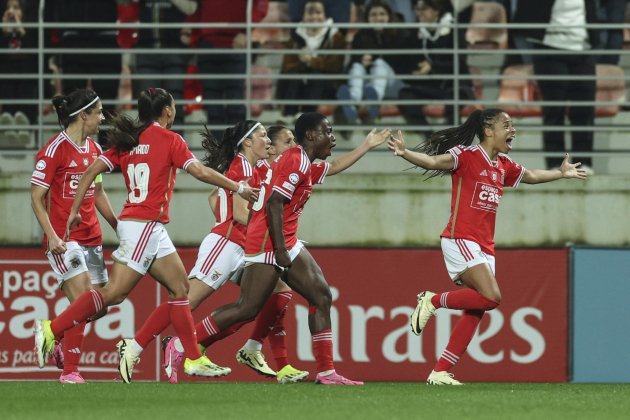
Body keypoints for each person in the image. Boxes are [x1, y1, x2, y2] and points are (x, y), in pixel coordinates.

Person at [33, 87, 258, 383]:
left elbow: (90, 174)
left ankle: (193, 357)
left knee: (180, 288)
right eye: (174, 107)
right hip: (143, 224)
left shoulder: (128, 140)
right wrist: (238, 187)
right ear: (167, 111)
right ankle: (52, 329)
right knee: (114, 293)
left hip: (149, 227)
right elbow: (200, 173)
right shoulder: (170, 140)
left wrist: (76, 209)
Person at [181, 113, 390, 385]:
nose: (333, 138)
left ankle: (326, 371)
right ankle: (189, 345)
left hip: (285, 240)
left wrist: (366, 146)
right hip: (268, 240)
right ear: (313, 135)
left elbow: (335, 165)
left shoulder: (304, 162)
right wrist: (280, 250)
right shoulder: (295, 160)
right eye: (329, 131)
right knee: (247, 308)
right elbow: (275, 204)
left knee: (321, 294)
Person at [386, 108, 588, 385]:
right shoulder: (466, 156)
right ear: (489, 130)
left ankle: (440, 371)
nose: (512, 130)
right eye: (507, 125)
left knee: (478, 307)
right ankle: (432, 300)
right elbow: (433, 162)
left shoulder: (502, 164)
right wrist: (406, 153)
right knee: (492, 296)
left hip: (485, 247)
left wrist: (560, 173)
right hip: (460, 239)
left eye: (513, 125)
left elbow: (530, 175)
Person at [157, 123, 310, 384]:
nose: (272, 144)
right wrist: (240, 224)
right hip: (227, 243)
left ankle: (268, 357)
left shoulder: (260, 168)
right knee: (187, 300)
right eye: (265, 137)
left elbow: (213, 198)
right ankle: (143, 344)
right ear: (249, 142)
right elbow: (238, 212)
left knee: (278, 293)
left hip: (245, 246)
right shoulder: (243, 166)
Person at [30, 89, 117, 384]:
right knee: (83, 297)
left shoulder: (94, 149)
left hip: (92, 236)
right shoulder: (54, 150)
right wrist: (52, 236)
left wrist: (118, 225)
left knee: (100, 306)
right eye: (100, 112)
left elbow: (100, 192)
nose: (103, 118)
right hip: (64, 239)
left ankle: (54, 332)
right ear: (84, 115)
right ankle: (70, 371)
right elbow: (36, 197)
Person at [512, 0, 599, 170]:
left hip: (583, 49)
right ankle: (555, 164)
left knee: (584, 109)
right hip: (549, 48)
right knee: (554, 109)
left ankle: (584, 163)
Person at [397, 0, 474, 132]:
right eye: (417, 9)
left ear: (436, 10)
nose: (419, 13)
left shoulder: (453, 29)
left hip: (454, 84)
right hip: (431, 85)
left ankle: (455, 140)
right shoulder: (416, 33)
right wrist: (417, 71)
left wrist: (433, 66)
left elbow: (459, 62)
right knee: (405, 95)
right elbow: (408, 60)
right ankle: (429, 139)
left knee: (454, 99)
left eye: (424, 9)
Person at [336, 0, 407, 125]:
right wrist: (361, 60)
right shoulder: (360, 36)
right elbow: (350, 66)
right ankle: (353, 102)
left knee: (379, 64)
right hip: (365, 82)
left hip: (392, 83)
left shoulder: (400, 34)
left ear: (389, 16)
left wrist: (373, 59)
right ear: (367, 18)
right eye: (373, 15)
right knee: (357, 66)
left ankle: (374, 100)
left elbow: (400, 64)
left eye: (382, 14)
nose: (378, 18)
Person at [276, 0, 345, 118]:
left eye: (318, 13)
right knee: (293, 75)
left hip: (325, 86)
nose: (314, 17)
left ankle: (308, 118)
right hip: (299, 83)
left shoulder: (336, 37)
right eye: (310, 13)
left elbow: (334, 66)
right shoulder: (295, 36)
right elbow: (287, 65)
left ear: (325, 15)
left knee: (316, 75)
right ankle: (288, 116)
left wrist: (311, 61)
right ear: (303, 15)